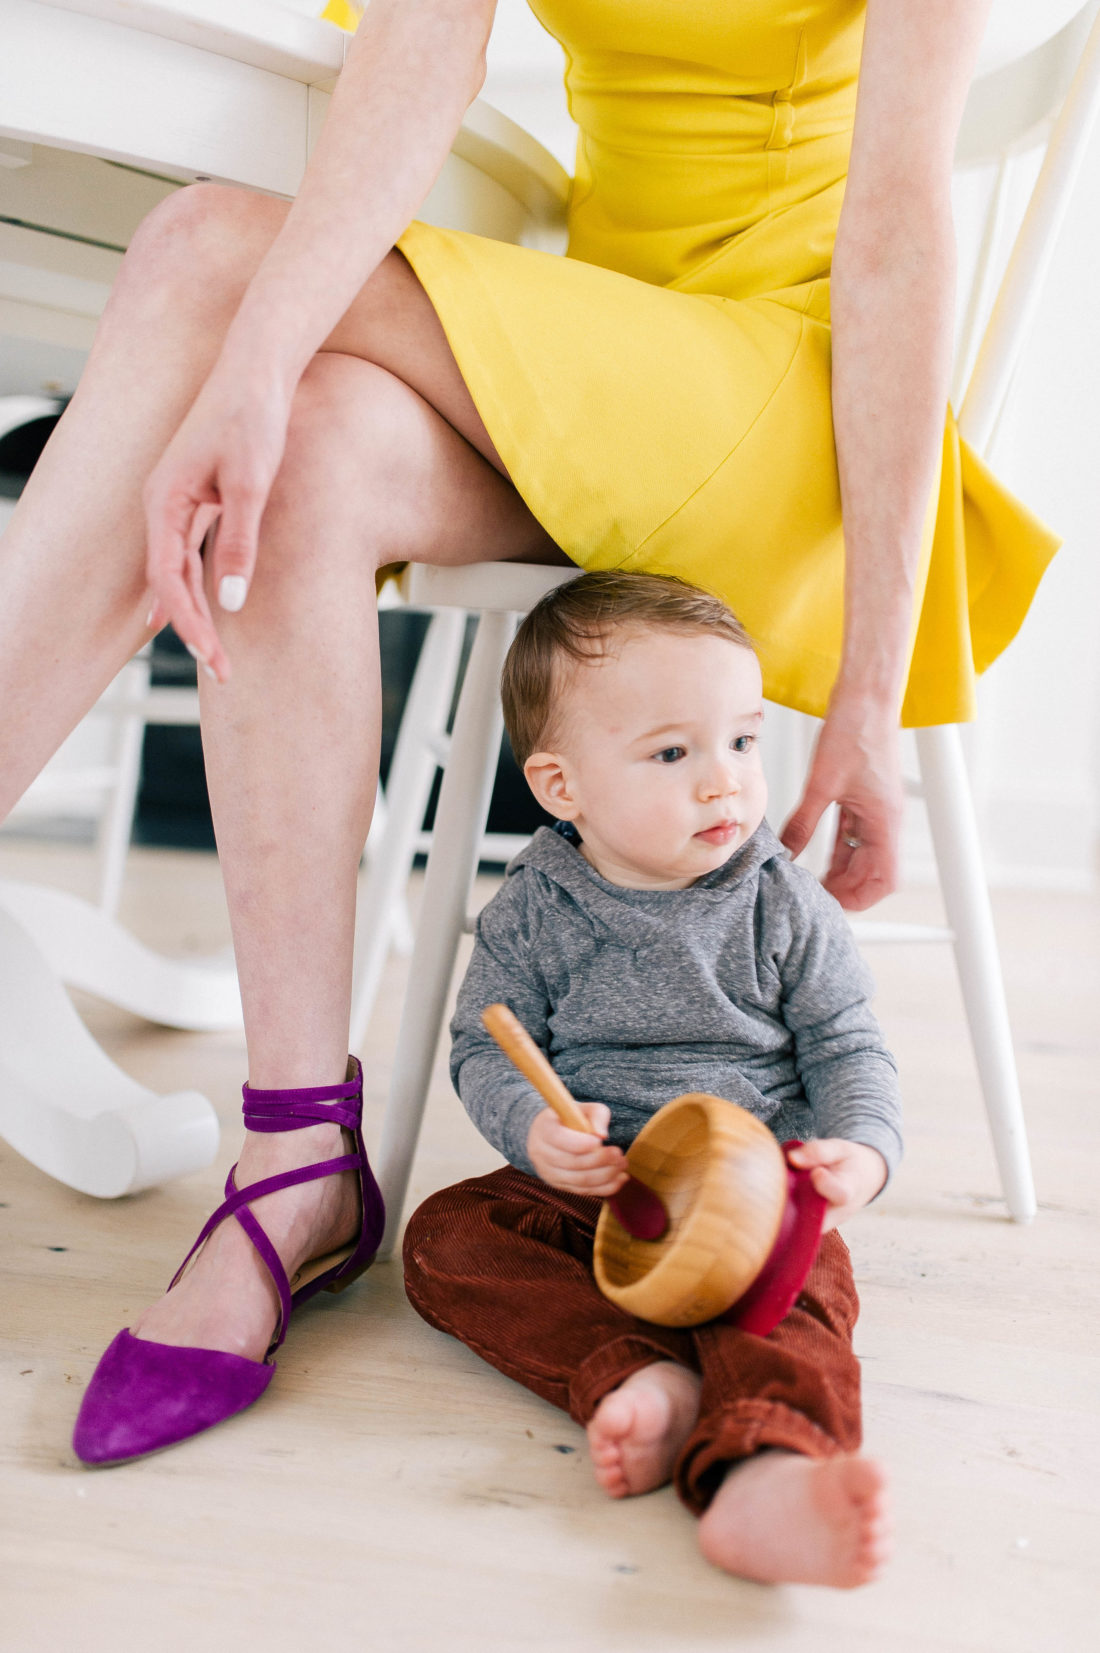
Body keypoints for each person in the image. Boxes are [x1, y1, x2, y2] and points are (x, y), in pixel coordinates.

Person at [0, 1, 1053, 1459]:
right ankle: (298, 1155)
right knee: (302, 452)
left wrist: (869, 687)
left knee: (201, 253)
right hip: (605, 385)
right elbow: (415, 64)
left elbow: (894, 228)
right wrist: (250, 380)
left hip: (787, 398)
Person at [404, 570, 900, 1587]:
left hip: (748, 1203)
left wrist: (860, 1150)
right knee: (446, 1239)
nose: (723, 780)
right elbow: (484, 1047)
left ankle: (765, 1466)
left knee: (791, 1306)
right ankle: (635, 1376)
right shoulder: (536, 908)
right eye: (673, 753)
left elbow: (848, 1043)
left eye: (742, 741)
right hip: (593, 1198)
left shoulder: (779, 904)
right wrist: (532, 1135)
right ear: (560, 788)